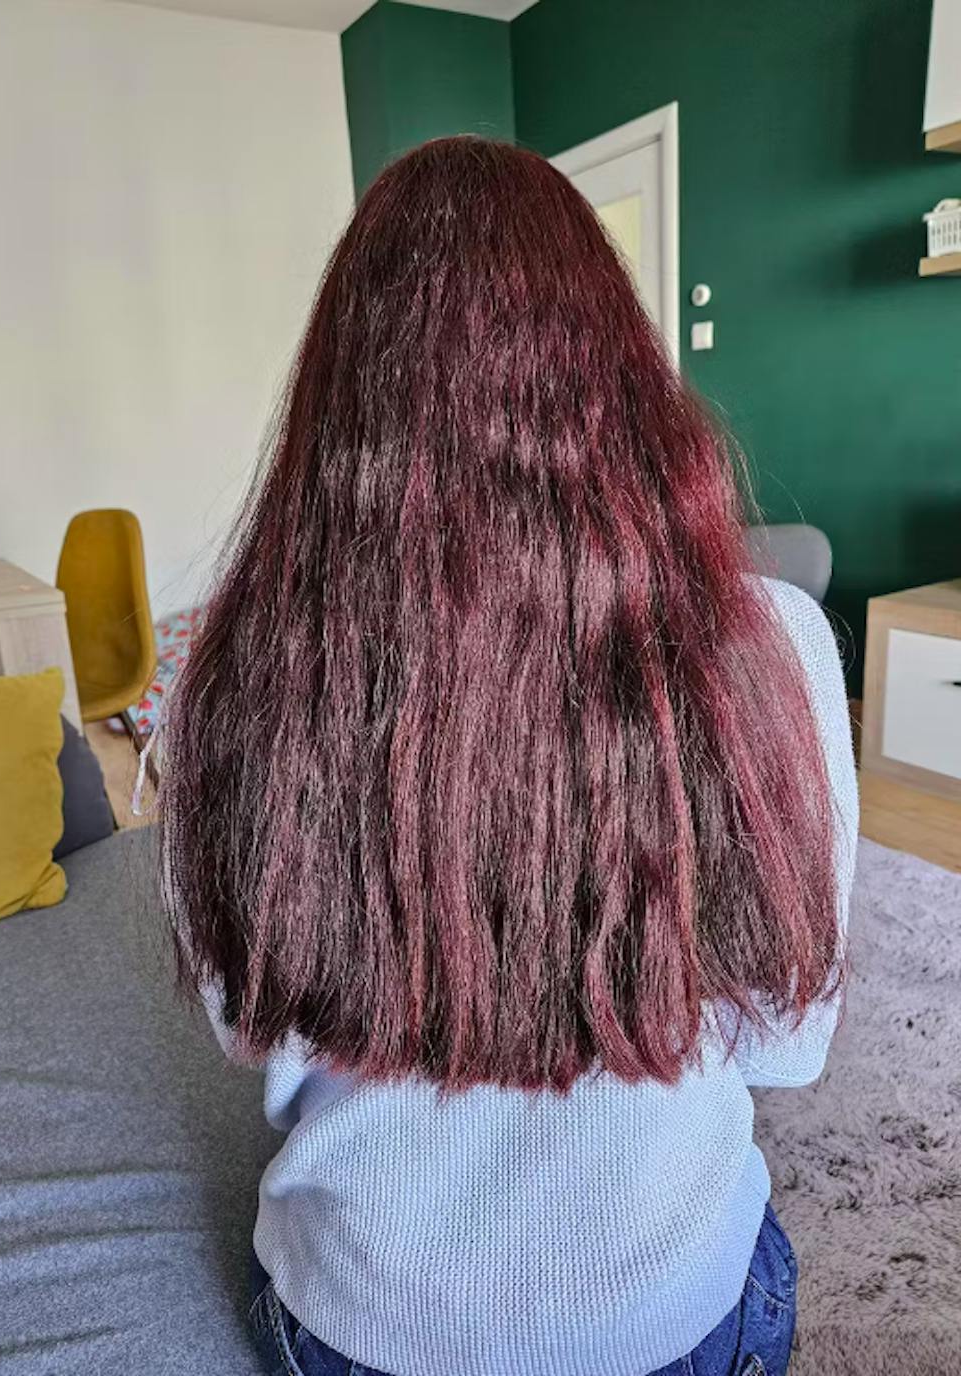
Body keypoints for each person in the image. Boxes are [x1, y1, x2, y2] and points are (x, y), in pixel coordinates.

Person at [159, 136, 857, 1376]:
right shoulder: (779, 646)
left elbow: (255, 1032)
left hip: (359, 1322)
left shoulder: (229, 676)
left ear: (342, 389)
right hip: (672, 1317)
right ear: (619, 372)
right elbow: (785, 1047)